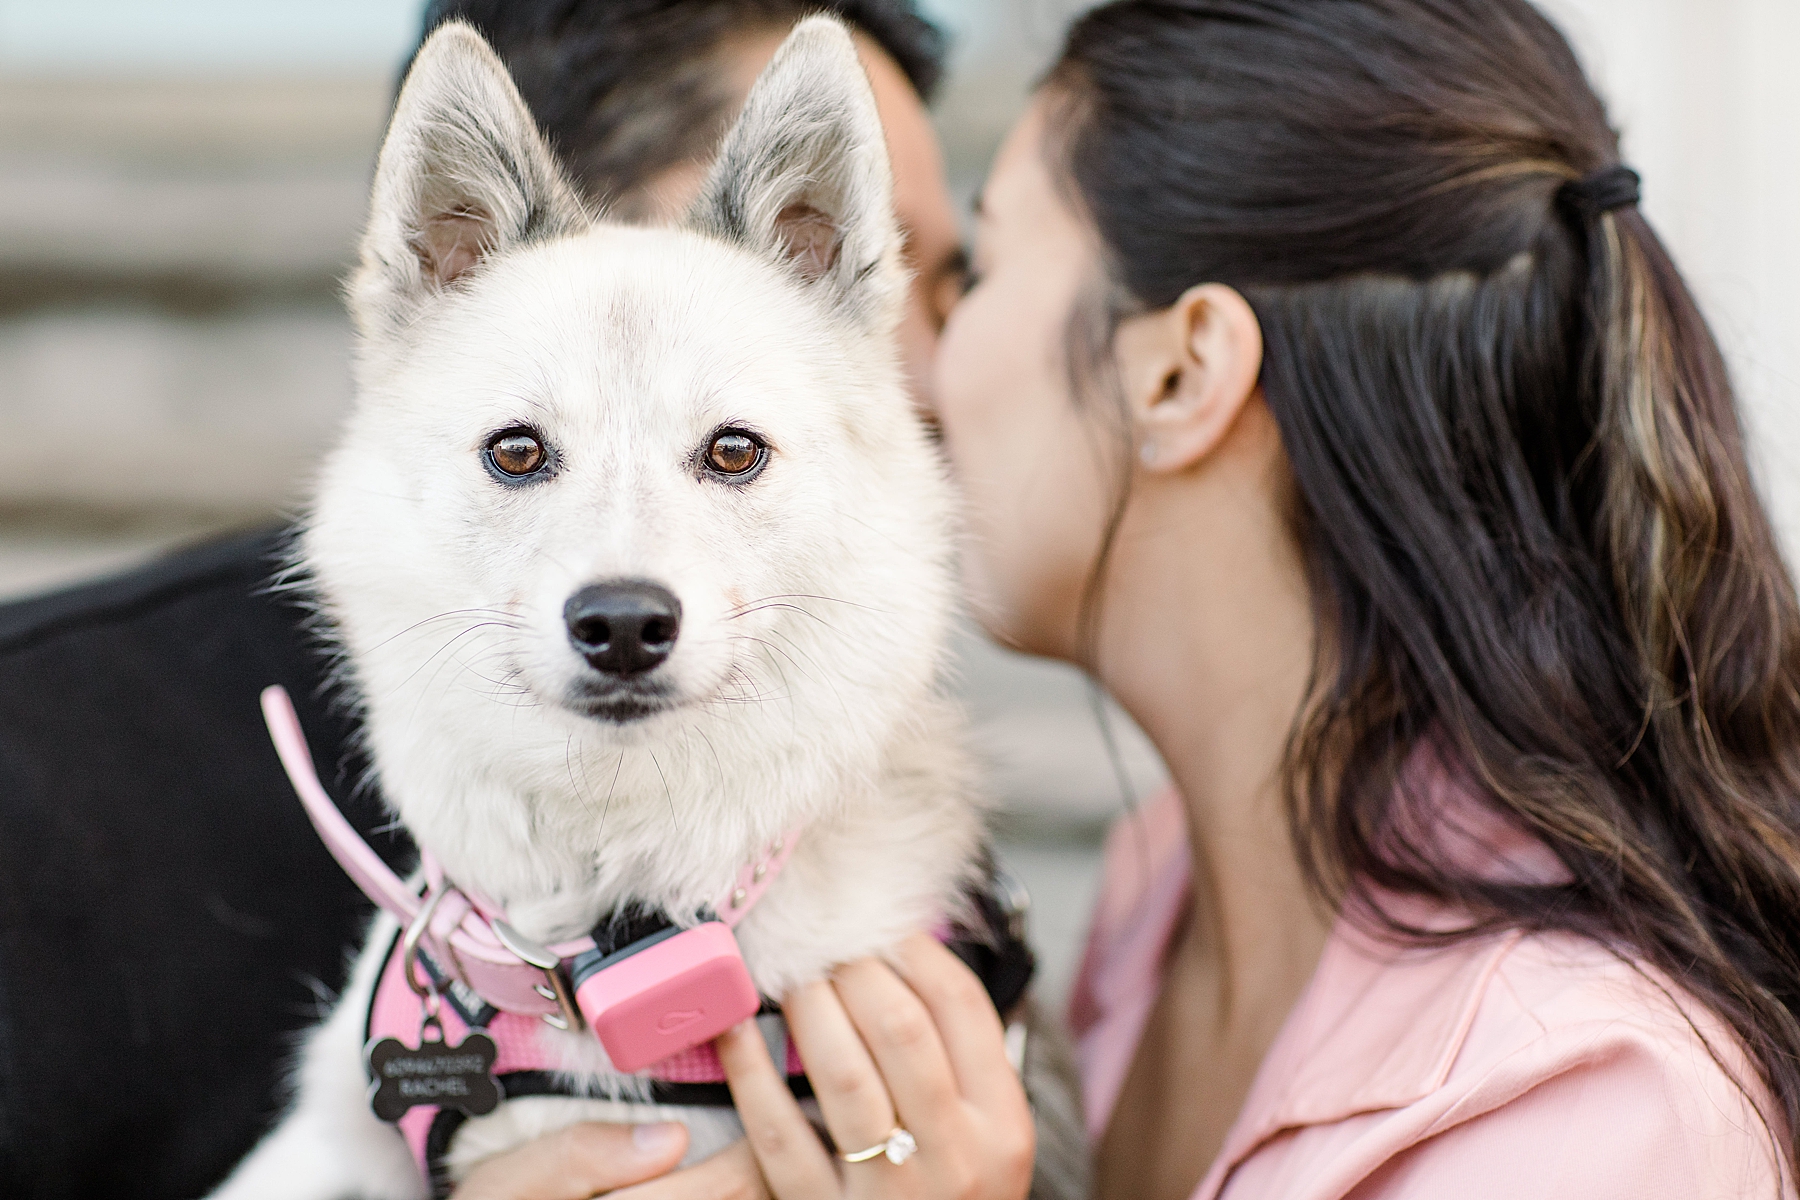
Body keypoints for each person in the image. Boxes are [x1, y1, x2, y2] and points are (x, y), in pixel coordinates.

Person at [488, 0, 1800, 1196]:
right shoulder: (1156, 897)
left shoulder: (1586, 1110)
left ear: (1180, 375)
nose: (905, 377)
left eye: (975, 279)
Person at [0, 4, 963, 1197]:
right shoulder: (51, 778)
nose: (624, 580)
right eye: (521, 455)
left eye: (729, 455)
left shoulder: (919, 953)